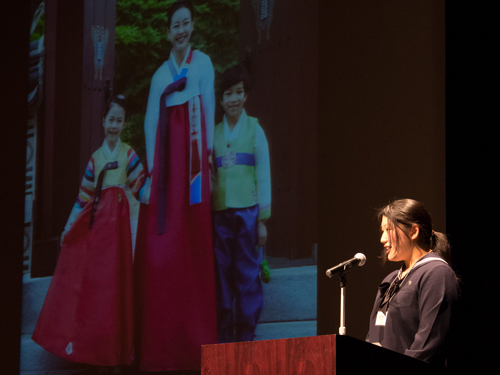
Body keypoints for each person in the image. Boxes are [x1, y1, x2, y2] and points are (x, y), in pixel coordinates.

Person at [32, 96, 146, 371]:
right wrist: (68, 226)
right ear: (102, 122)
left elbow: (143, 190)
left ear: (123, 123)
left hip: (119, 239)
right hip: (97, 238)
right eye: (110, 120)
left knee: (117, 291)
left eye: (119, 120)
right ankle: (93, 352)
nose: (114, 126)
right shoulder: (95, 159)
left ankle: (117, 353)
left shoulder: (129, 154)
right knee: (98, 292)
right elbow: (83, 198)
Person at [133, 0, 216, 371]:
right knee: (164, 247)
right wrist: (154, 171)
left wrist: (209, 155)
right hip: (168, 165)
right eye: (175, 26)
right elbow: (152, 121)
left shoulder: (202, 64)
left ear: (192, 27)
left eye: (185, 24)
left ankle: (197, 340)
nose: (180, 31)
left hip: (195, 163)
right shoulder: (158, 76)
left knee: (194, 241)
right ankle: (161, 344)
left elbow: (209, 106)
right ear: (168, 32)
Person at [211, 65, 271, 343]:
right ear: (221, 100)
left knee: (247, 272)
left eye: (238, 93)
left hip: (248, 212)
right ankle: (223, 332)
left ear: (245, 96)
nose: (233, 99)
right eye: (228, 94)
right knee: (221, 273)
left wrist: (261, 220)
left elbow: (263, 175)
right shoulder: (213, 134)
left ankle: (246, 332)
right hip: (220, 214)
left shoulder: (255, 130)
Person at [366, 198, 460, 366]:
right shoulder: (390, 280)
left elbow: (427, 345)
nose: (382, 239)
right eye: (382, 231)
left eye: (388, 230)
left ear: (413, 231)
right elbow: (373, 336)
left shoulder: (436, 273)